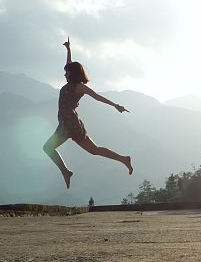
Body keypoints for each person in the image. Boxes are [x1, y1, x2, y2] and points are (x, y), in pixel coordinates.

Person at [42, 37, 133, 189]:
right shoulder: (70, 83)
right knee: (94, 150)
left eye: (67, 72)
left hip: (70, 125)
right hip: (65, 124)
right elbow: (69, 64)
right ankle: (124, 159)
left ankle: (66, 172)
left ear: (72, 73)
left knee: (48, 148)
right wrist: (68, 49)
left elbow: (97, 97)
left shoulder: (79, 87)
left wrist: (116, 105)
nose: (64, 74)